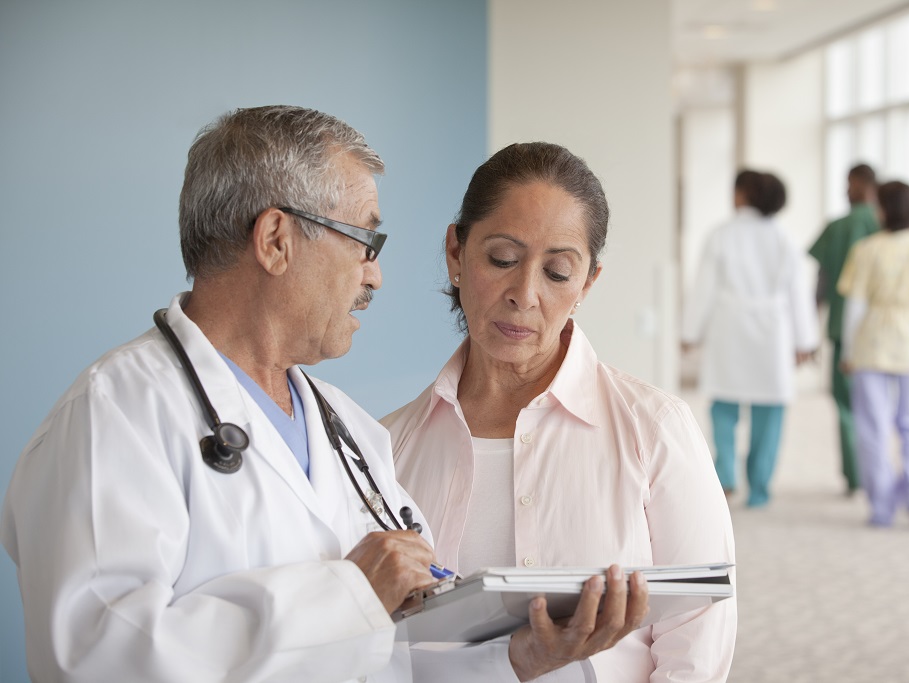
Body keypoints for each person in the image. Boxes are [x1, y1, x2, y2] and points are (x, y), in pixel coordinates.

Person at [0, 107, 646, 682]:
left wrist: (514, 659)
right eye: (365, 240)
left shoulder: (352, 433)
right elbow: (93, 658)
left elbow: (397, 647)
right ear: (277, 239)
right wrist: (346, 592)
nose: (376, 274)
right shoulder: (116, 413)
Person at [381, 142, 736, 682]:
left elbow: (699, 630)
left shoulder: (654, 429)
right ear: (456, 252)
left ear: (588, 282)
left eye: (558, 272)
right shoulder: (387, 447)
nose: (524, 294)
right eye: (502, 259)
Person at [680, 170, 819, 507]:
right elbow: (798, 295)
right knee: (769, 411)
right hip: (773, 331)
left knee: (724, 405)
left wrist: (690, 331)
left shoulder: (721, 235)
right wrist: (805, 341)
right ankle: (759, 487)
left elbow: (704, 289)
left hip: (730, 327)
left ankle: (726, 475)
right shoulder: (784, 239)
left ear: (744, 195)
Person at [838, 180, 909, 527]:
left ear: (882, 210)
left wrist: (848, 350)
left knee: (872, 426)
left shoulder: (867, 249)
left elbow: (854, 306)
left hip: (872, 342)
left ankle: (882, 507)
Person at [808, 163, 880, 495]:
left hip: (843, 332)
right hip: (884, 337)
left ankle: (856, 477)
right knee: (882, 409)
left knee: (847, 407)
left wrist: (809, 325)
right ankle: (878, 474)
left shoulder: (838, 227)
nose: (845, 190)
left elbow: (820, 284)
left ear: (863, 186)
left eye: (849, 184)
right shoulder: (885, 227)